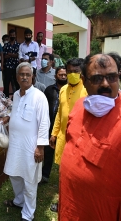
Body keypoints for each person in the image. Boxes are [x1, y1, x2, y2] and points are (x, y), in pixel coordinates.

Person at [59, 53, 121, 220]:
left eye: (112, 77)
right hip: (68, 210)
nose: (105, 84)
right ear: (84, 81)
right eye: (97, 79)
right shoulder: (79, 106)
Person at [2, 62, 50, 221]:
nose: (24, 77)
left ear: (32, 77)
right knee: (14, 174)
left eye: (27, 75)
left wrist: (40, 147)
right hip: (15, 144)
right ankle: (19, 201)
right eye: (21, 74)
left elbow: (44, 122)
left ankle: (28, 214)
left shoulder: (39, 96)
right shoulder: (16, 94)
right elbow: (16, 111)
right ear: (16, 77)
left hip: (31, 146)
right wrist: (9, 117)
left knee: (30, 180)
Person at [49, 58, 87, 212]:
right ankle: (62, 201)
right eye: (70, 71)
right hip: (63, 138)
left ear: (82, 73)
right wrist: (54, 133)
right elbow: (59, 113)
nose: (72, 74)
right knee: (63, 172)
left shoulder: (86, 89)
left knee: (78, 173)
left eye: (76, 71)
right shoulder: (63, 89)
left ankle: (77, 203)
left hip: (80, 140)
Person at [41, 66, 67, 183]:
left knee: (65, 152)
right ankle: (45, 175)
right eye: (60, 74)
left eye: (65, 75)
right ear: (56, 75)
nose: (63, 76)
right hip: (50, 124)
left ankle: (64, 176)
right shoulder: (49, 90)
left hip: (64, 126)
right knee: (48, 151)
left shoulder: (69, 90)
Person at [2, 29, 20, 97]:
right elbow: (4, 56)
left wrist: (9, 54)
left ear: (15, 36)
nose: (12, 36)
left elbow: (18, 55)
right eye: (11, 35)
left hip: (16, 67)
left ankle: (16, 97)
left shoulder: (18, 45)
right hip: (7, 67)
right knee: (6, 84)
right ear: (9, 36)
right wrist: (13, 55)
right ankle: (6, 99)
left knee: (16, 84)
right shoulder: (6, 45)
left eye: (13, 35)